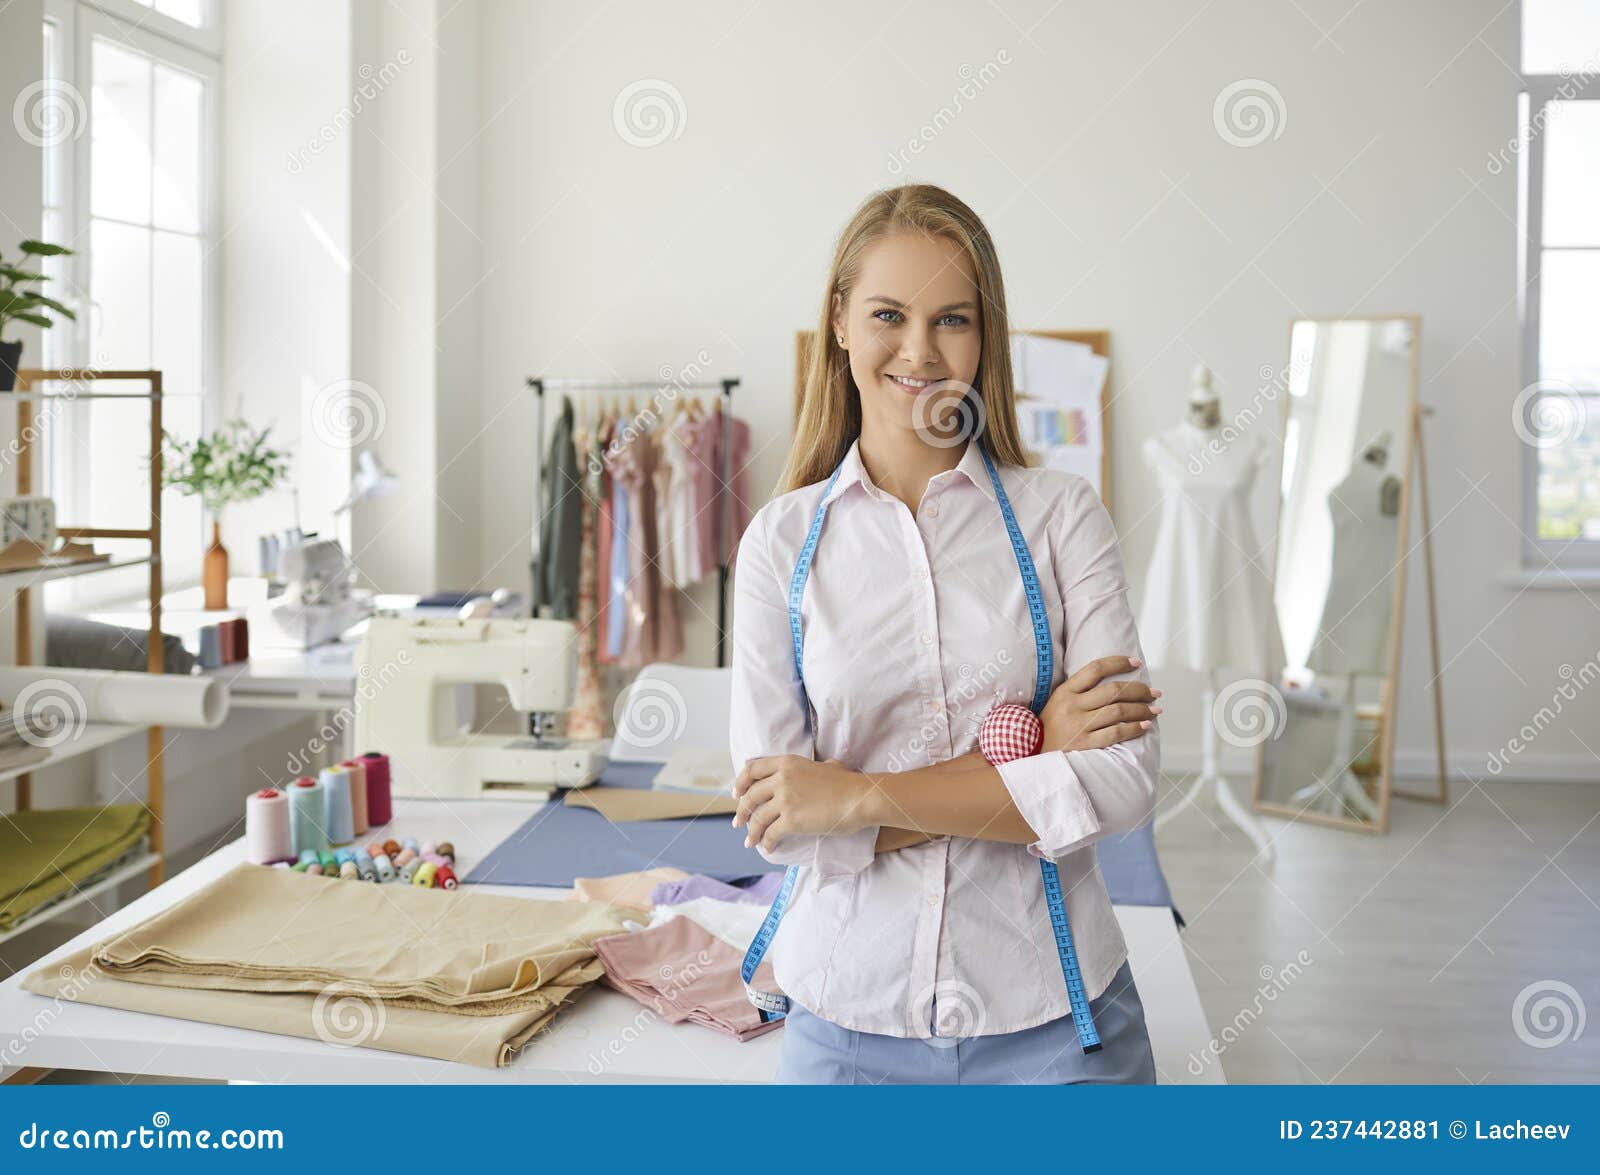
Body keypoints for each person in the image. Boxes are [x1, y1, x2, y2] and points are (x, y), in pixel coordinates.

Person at [729, 183, 1163, 1084]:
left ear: (983, 337)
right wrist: (1037, 757)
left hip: (1055, 1021)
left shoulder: (1063, 519)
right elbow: (782, 822)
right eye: (889, 313)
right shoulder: (779, 544)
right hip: (848, 1023)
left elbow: (1121, 784)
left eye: (952, 319)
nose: (920, 350)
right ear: (841, 321)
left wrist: (854, 798)